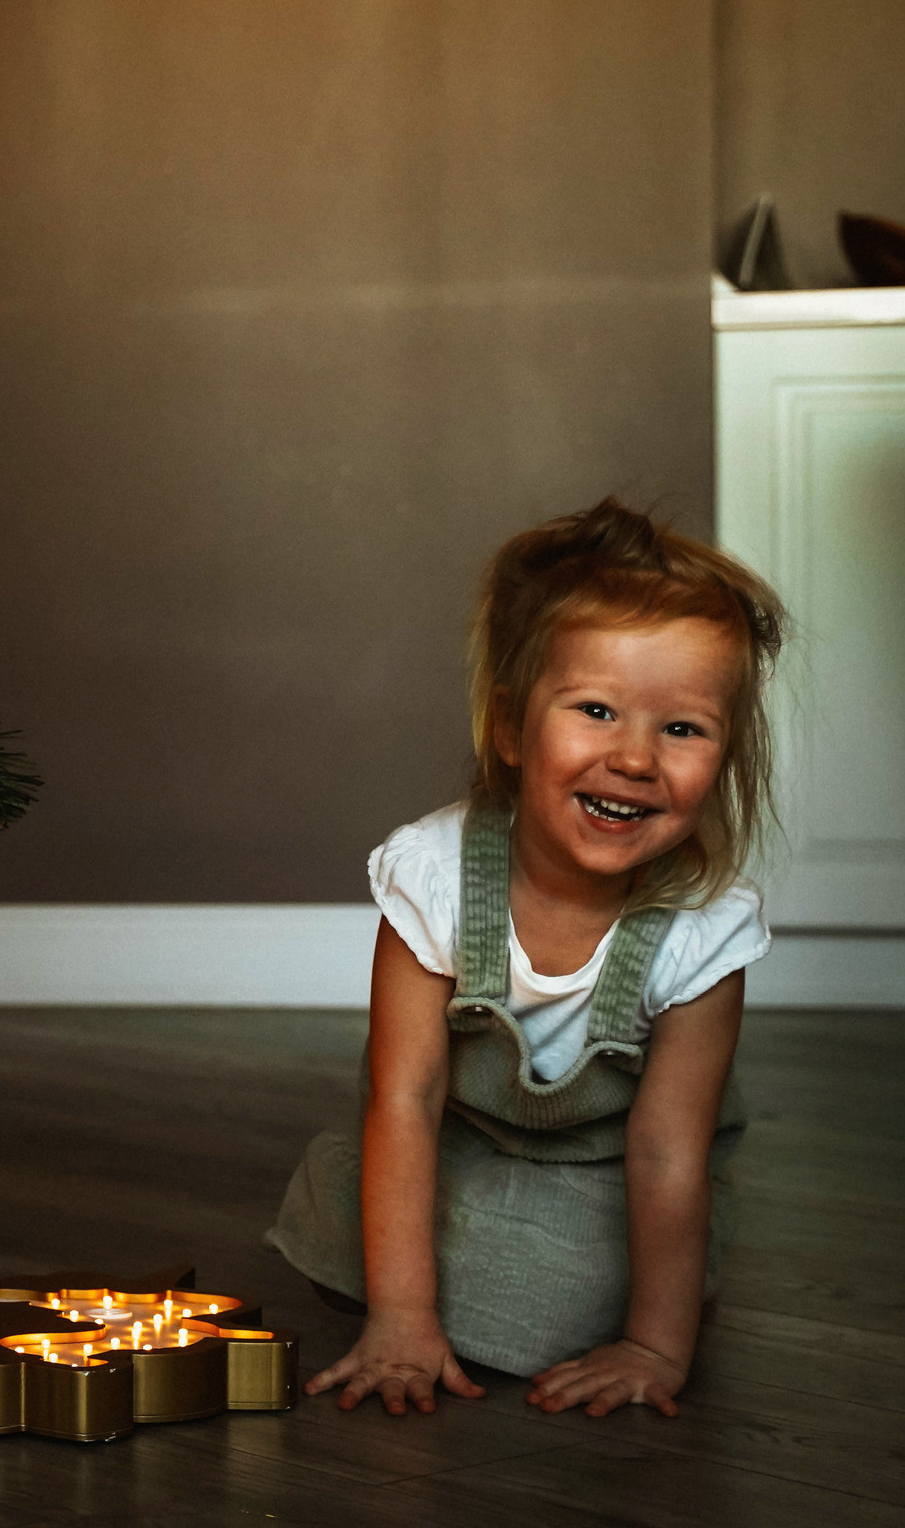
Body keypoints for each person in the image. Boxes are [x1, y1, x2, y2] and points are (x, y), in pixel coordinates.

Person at [268, 498, 786, 1419]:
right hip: (458, 1143)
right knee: (341, 1196)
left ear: (724, 755)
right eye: (596, 710)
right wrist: (398, 1315)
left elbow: (669, 1152)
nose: (634, 758)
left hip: (606, 1169)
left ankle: (539, 1296)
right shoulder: (432, 875)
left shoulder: (701, 927)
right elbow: (405, 1098)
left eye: (683, 729)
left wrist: (654, 1347)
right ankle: (442, 1299)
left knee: (602, 1266)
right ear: (510, 729)